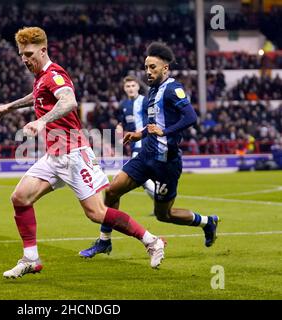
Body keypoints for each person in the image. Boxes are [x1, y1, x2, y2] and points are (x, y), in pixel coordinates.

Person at [0, 27, 166, 279]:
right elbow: (38, 94)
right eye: (21, 54)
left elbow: (69, 101)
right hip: (54, 154)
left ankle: (152, 241)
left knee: (96, 213)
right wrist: (10, 106)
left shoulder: (55, 74)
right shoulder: (41, 77)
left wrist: (41, 122)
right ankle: (30, 259)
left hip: (74, 153)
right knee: (20, 197)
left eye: (29, 53)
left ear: (43, 50)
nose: (24, 59)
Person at [78, 42, 220, 259]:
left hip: (166, 163)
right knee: (113, 190)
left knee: (164, 215)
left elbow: (191, 117)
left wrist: (165, 131)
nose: (148, 72)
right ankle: (104, 241)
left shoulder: (173, 89)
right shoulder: (153, 92)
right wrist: (140, 134)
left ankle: (207, 222)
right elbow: (154, 124)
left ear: (165, 68)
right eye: (146, 67)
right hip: (145, 156)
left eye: (152, 67)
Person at [79, 75, 156, 258]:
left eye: (132, 85)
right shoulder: (123, 105)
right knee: (120, 189)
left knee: (120, 187)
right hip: (135, 147)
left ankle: (160, 201)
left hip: (145, 145)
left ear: (138, 86)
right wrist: (120, 126)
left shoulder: (145, 102)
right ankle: (105, 240)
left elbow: (154, 121)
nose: (130, 88)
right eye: (127, 86)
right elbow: (122, 120)